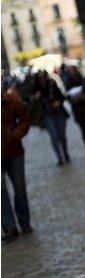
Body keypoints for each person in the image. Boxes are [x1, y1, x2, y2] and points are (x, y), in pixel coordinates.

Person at [1, 82, 33, 241]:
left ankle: (24, 221)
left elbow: (25, 119)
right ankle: (9, 226)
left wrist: (16, 134)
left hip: (14, 151)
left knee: (19, 187)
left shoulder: (12, 99)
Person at [32, 71, 70, 166]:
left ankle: (65, 153)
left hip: (58, 113)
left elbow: (62, 97)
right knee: (54, 136)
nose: (41, 80)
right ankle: (59, 158)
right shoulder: (36, 89)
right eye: (39, 79)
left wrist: (58, 102)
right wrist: (35, 98)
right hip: (46, 115)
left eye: (43, 78)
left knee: (62, 136)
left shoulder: (52, 85)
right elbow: (30, 104)